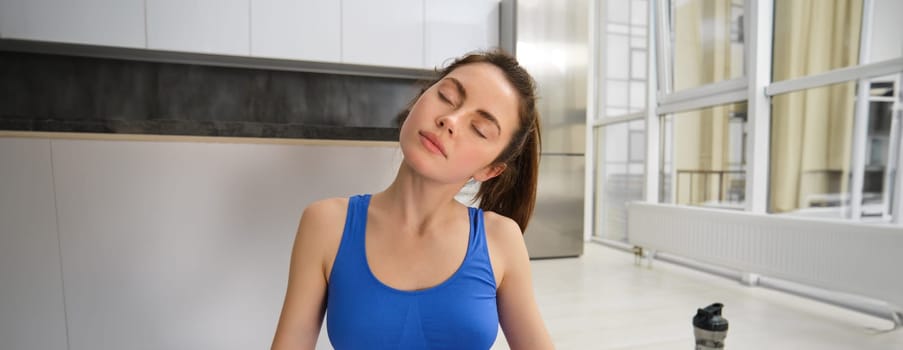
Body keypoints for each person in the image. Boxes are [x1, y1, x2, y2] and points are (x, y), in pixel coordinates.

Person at [271, 50, 554, 350]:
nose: (450, 120)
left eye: (479, 129)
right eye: (446, 96)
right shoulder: (326, 224)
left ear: (490, 169)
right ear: (420, 98)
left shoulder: (501, 239)